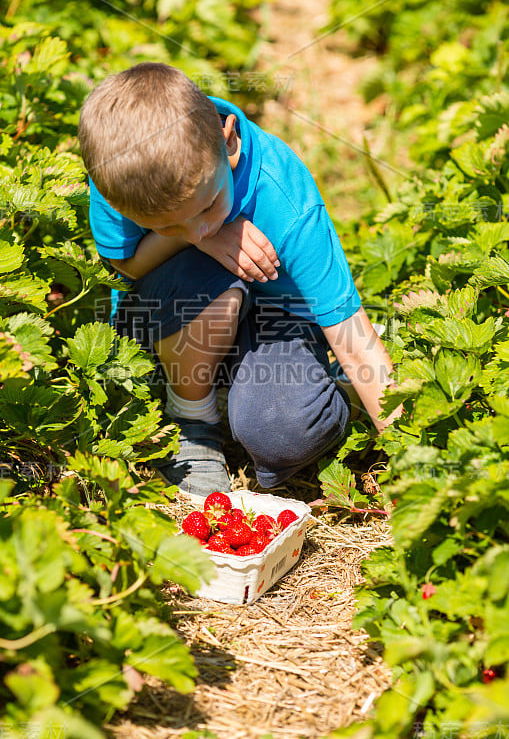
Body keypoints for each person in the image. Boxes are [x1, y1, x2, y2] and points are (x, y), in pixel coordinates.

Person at [78, 62, 400, 498]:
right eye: (170, 226)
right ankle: (193, 421)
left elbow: (350, 333)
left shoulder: (282, 195)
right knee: (201, 274)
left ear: (228, 142)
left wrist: (408, 457)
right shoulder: (124, 176)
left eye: (207, 207)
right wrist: (206, 240)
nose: (197, 231)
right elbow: (127, 266)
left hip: (274, 320)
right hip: (175, 308)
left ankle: (312, 383)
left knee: (284, 433)